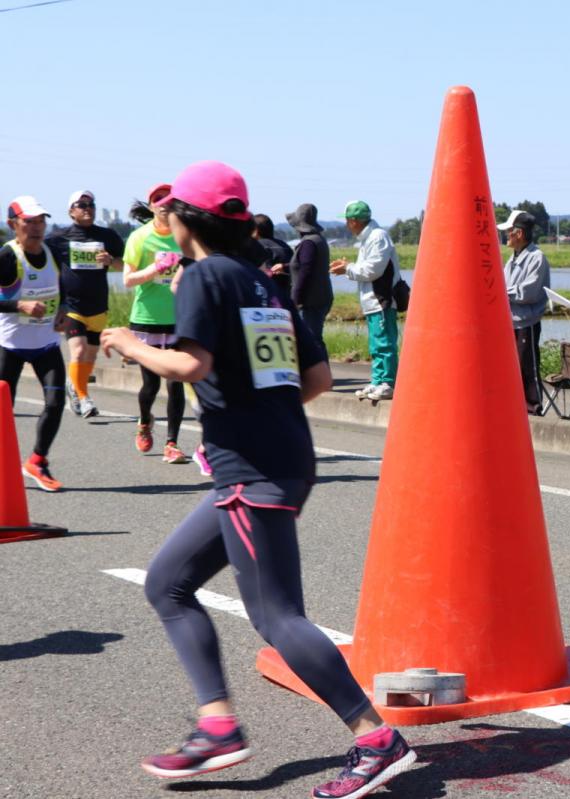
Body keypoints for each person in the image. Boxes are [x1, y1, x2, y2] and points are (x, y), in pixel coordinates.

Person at [100, 161, 415, 798]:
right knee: (168, 583)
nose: (163, 219)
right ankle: (218, 725)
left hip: (252, 468)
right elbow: (319, 379)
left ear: (186, 218)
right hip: (277, 457)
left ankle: (376, 739)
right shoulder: (259, 282)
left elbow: (190, 363)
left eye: (168, 210)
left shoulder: (205, 275)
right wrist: (260, 411)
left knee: (276, 616)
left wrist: (130, 343)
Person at [1, 196, 67, 492]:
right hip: (10, 346)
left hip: (47, 344)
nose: (37, 227)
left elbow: (64, 288)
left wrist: (65, 310)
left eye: (41, 221)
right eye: (29, 222)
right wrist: (20, 306)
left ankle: (37, 462)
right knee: (4, 412)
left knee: (55, 404)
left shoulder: (54, 252)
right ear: (12, 224)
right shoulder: (7, 256)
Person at [45, 190, 125, 419]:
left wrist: (111, 261)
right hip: (71, 306)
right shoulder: (57, 239)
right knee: (78, 351)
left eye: (91, 204)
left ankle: (76, 386)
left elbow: (124, 267)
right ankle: (83, 397)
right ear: (71, 211)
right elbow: (43, 265)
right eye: (81, 204)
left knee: (89, 355)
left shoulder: (108, 236)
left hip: (98, 305)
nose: (87, 208)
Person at [123, 185, 189, 464]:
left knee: (176, 384)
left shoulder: (183, 235)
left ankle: (172, 442)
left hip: (179, 319)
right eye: (158, 200)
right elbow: (127, 280)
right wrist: (155, 270)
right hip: (146, 319)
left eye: (170, 200)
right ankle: (144, 422)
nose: (165, 204)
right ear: (151, 207)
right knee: (150, 386)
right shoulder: (140, 238)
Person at [330, 201, 398, 401]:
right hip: (372, 301)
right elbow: (367, 267)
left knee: (384, 343)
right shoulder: (368, 238)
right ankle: (378, 381)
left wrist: (347, 268)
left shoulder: (378, 237)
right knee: (376, 345)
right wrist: (348, 266)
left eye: (347, 220)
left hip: (381, 299)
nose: (345, 224)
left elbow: (372, 270)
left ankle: (388, 383)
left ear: (353, 221)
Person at [498, 210, 551, 415]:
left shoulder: (537, 258)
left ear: (518, 233)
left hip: (526, 322)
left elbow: (528, 292)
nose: (505, 236)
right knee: (511, 367)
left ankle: (533, 407)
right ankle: (515, 406)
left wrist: (500, 291)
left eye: (508, 231)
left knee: (527, 366)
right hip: (511, 321)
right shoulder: (512, 258)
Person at [285, 202, 332, 353]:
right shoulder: (318, 239)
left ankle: (321, 375)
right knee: (314, 339)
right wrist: (286, 267)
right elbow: (306, 265)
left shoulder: (308, 243)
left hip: (310, 301)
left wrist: (296, 300)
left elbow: (306, 271)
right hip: (321, 298)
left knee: (312, 341)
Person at [251, 213, 293, 296]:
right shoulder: (284, 245)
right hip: (286, 295)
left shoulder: (256, 246)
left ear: (255, 230)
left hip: (266, 295)